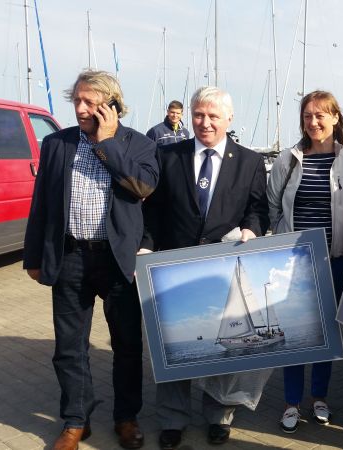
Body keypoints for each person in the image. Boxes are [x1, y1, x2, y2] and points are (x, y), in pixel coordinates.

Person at [23, 70, 158, 450]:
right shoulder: (56, 143)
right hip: (70, 257)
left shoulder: (139, 144)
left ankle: (126, 417)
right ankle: (75, 421)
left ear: (111, 105)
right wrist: (34, 256)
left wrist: (107, 142)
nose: (80, 109)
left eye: (89, 102)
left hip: (118, 261)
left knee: (127, 345)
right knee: (69, 347)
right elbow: (41, 203)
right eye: (77, 101)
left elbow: (142, 186)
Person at [139, 86, 269, 449]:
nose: (205, 122)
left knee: (224, 344)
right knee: (176, 343)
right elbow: (154, 211)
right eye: (198, 114)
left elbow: (258, 208)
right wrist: (146, 246)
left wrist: (251, 229)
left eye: (213, 116)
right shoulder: (168, 156)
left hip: (223, 267)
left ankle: (219, 414)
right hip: (175, 265)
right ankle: (172, 418)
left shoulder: (249, 162)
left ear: (229, 119)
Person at [267, 90, 343, 433]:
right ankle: (291, 401)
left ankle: (319, 396)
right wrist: (283, 240)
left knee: (326, 332)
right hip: (296, 261)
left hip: (336, 260)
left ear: (335, 117)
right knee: (294, 332)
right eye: (307, 115)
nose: (313, 122)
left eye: (321, 115)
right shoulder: (288, 159)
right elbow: (273, 205)